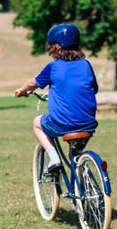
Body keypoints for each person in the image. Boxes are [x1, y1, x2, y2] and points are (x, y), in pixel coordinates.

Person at [14, 23, 98, 173]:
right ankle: (83, 189)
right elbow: (94, 89)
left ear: (57, 47)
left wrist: (21, 90)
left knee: (37, 123)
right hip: (88, 124)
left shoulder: (54, 66)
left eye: (51, 47)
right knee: (75, 155)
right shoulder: (86, 64)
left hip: (62, 123)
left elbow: (33, 83)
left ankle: (54, 158)